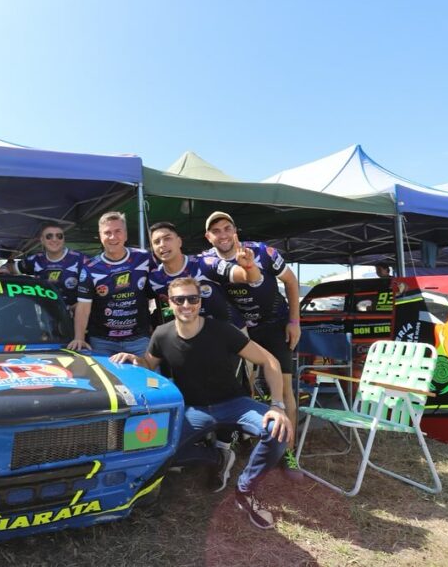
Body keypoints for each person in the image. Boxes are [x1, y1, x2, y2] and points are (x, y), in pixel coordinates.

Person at [110, 277, 293, 529]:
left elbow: (269, 360)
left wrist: (277, 405)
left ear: (200, 301)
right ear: (169, 303)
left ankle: (245, 491)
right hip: (193, 409)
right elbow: (148, 365)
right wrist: (133, 358)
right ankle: (215, 458)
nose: (186, 305)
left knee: (278, 431)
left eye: (192, 299)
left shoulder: (222, 329)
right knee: (159, 451)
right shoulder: (162, 334)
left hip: (234, 402)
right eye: (179, 299)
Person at [203, 211, 303, 478]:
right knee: (244, 387)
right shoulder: (207, 261)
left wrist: (294, 321)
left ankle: (288, 455)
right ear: (208, 237)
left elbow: (291, 282)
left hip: (274, 325)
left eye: (227, 228)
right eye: (216, 231)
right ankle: (250, 438)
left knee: (282, 391)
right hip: (240, 330)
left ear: (235, 231)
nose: (223, 235)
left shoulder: (263, 252)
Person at [67, 212, 153, 357]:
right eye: (107, 233)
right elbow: (83, 307)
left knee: (149, 379)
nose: (113, 237)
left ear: (125, 235)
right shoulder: (90, 267)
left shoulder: (144, 258)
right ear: (101, 237)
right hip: (102, 341)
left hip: (139, 339)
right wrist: (79, 338)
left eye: (117, 231)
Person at [147, 221, 260, 323]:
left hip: (231, 331)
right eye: (157, 242)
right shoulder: (154, 278)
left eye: (167, 238)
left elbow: (252, 278)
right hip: (192, 337)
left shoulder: (205, 263)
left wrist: (249, 266)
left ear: (179, 242)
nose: (162, 244)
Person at [16, 222, 87, 308]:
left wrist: (75, 308)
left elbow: (96, 287)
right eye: (49, 236)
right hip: (48, 316)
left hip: (76, 317)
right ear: (42, 240)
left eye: (59, 236)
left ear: (64, 239)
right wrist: (3, 268)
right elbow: (11, 267)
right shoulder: (35, 259)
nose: (54, 239)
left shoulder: (80, 259)